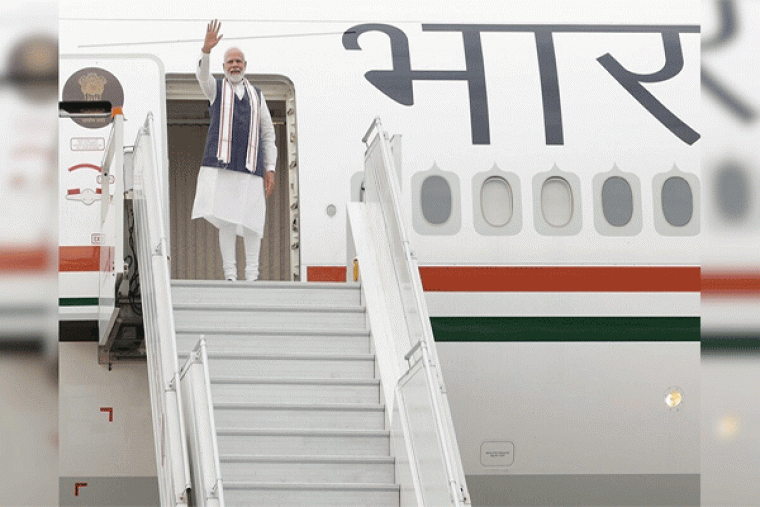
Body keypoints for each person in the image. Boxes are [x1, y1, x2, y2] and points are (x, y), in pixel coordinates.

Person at [192, 19, 277, 281]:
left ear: (245, 65)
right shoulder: (215, 89)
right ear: (224, 66)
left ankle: (252, 274)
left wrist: (270, 168)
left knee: (253, 221)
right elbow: (202, 76)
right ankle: (230, 274)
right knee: (227, 220)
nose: (234, 65)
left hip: (251, 168)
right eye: (230, 61)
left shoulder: (257, 95)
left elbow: (268, 132)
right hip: (223, 166)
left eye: (238, 61)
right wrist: (206, 50)